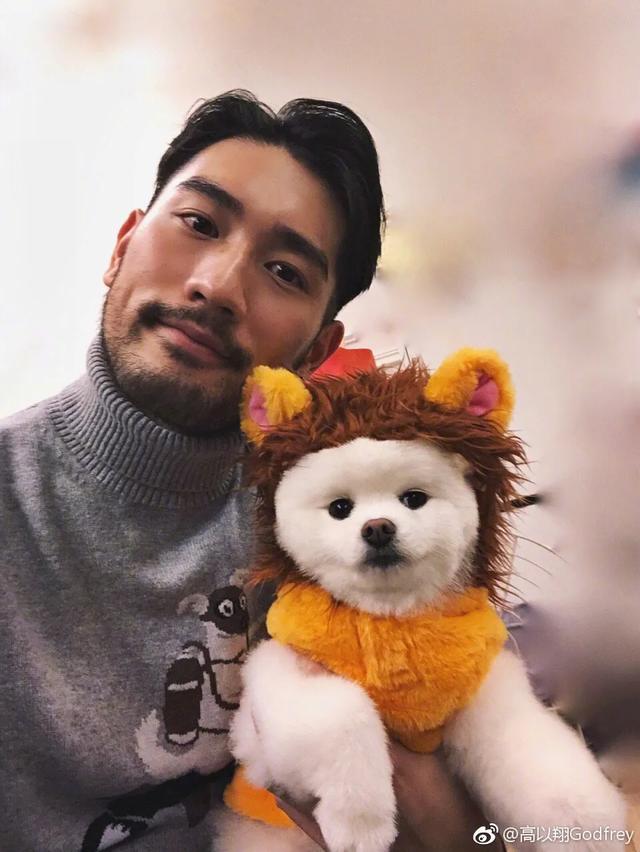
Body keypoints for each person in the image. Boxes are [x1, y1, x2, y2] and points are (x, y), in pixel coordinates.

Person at [0, 90, 502, 851]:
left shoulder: (337, 521)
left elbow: (476, 799)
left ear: (317, 351)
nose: (219, 286)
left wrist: (464, 834)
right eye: (198, 223)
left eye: (285, 271)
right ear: (122, 246)